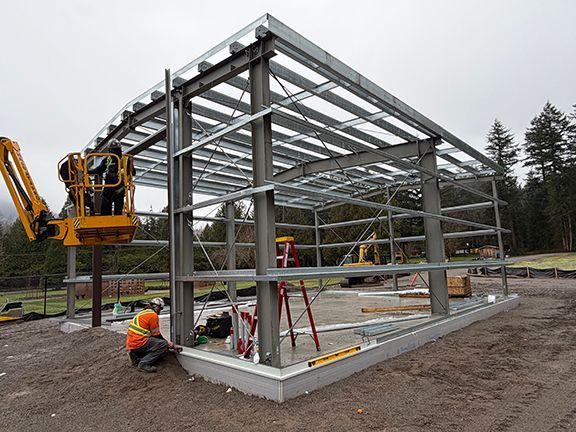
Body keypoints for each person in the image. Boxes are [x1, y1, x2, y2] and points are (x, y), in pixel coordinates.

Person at [126, 298, 180, 373]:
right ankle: (143, 364)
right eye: (160, 309)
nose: (159, 311)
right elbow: (157, 335)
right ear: (157, 307)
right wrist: (169, 344)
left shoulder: (143, 313)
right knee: (162, 345)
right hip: (138, 343)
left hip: (132, 344)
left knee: (153, 342)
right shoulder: (153, 315)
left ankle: (136, 357)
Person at [88, 139, 134, 216]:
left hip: (119, 188)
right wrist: (88, 171)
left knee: (117, 211)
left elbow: (133, 172)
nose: (114, 152)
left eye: (115, 150)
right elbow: (99, 169)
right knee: (106, 209)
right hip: (109, 188)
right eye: (113, 150)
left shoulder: (125, 159)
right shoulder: (107, 160)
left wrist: (126, 171)